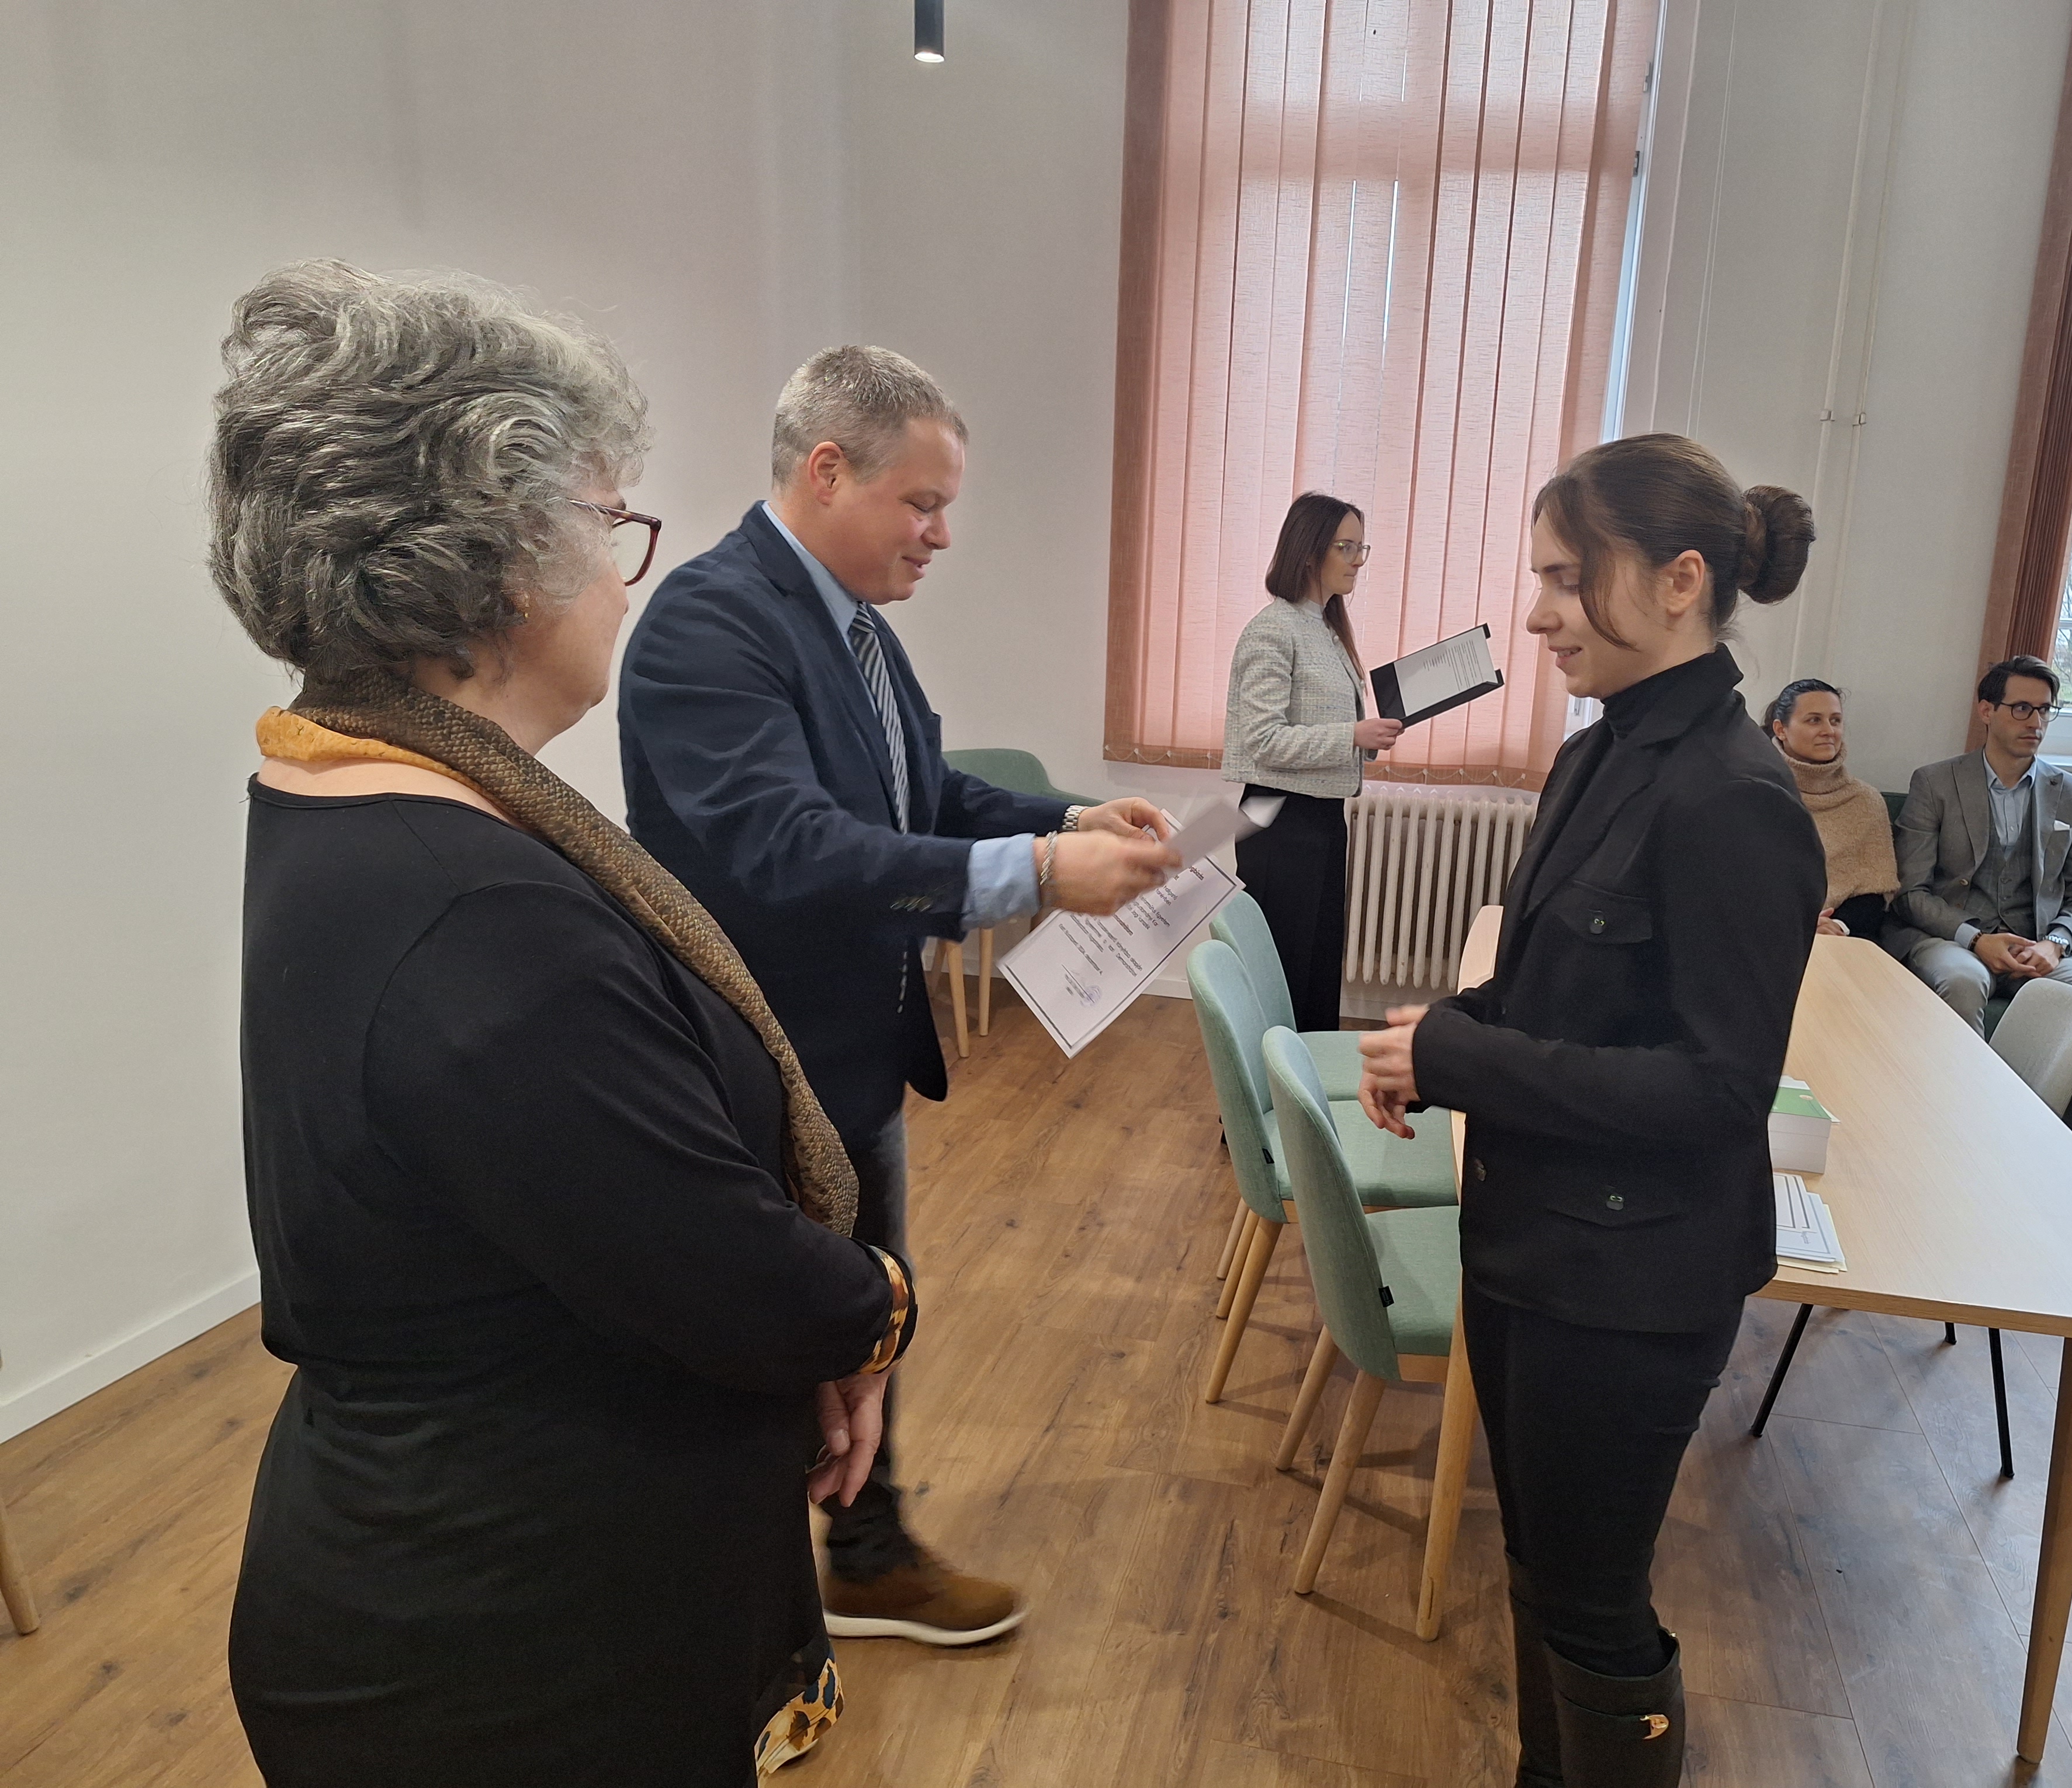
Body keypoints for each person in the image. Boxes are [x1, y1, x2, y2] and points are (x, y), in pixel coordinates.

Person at [214, 262, 913, 1787]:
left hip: (459, 1572)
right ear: (502, 554)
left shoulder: (333, 786)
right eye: (608, 520)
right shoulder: (484, 917)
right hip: (510, 1654)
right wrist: (875, 1305)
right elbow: (730, 1276)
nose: (624, 569)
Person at [616, 345, 1176, 1647]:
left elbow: (924, 795)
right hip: (759, 1075)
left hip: (850, 1059)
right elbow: (790, 847)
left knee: (868, 1313)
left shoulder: (855, 625)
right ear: (827, 471)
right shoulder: (710, 623)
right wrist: (1040, 873)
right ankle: (744, 1620)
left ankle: (865, 1555)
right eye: (922, 504)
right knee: (768, 1345)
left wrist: (1066, 818)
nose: (941, 536)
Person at [1356, 435, 1825, 1788]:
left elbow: (1716, 1090)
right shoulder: (1597, 753)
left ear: (1680, 581)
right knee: (1541, 1572)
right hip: (1534, 1245)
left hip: (1629, 1285)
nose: (1537, 615)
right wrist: (1440, 1036)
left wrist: (1464, 1059)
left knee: (1592, 1604)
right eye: (1540, 580)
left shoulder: (1734, 797)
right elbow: (1550, 989)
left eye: (1567, 579)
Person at [1886, 654, 2072, 1079]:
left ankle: (2037, 1114)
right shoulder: (1935, 783)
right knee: (1961, 981)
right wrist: (1977, 939)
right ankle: (1958, 1106)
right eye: (2021, 708)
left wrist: (2055, 944)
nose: (2036, 722)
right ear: (1986, 711)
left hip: (2039, 943)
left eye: (2045, 710)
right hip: (1953, 939)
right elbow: (1910, 893)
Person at [1220, 493, 1404, 1031]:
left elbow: (1320, 726)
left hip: (1320, 817)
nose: (1357, 561)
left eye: (1361, 548)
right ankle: (1263, 1085)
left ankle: (1307, 1077)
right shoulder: (1273, 629)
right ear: (1308, 551)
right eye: (1345, 547)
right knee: (1282, 973)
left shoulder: (1325, 629)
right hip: (1278, 818)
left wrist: (1366, 738)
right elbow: (1263, 741)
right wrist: (1352, 735)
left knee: (1317, 968)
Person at [1764, 678, 1899, 940]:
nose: (1829, 731)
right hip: (1762, 933)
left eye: (1835, 721)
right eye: (1814, 720)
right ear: (1781, 730)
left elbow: (1875, 893)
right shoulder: (1755, 792)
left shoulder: (1865, 800)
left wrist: (1836, 926)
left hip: (1838, 938)